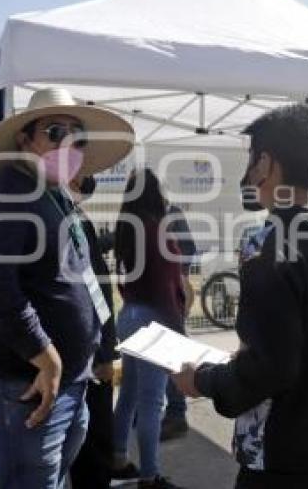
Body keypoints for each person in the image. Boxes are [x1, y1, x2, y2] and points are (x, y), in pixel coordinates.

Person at [171, 104, 308, 489]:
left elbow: (270, 369)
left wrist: (203, 381)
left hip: (284, 458)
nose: (246, 173)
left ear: (264, 163)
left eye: (250, 159)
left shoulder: (266, 245)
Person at [0, 87, 134, 489]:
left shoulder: (53, 195)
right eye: (55, 131)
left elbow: (80, 279)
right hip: (25, 384)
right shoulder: (5, 191)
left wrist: (95, 345)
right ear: (24, 138)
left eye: (78, 136)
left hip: (68, 383)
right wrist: (45, 355)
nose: (68, 143)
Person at [112, 168, 185, 489]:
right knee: (152, 402)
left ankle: (116, 457)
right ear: (155, 194)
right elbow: (165, 285)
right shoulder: (157, 230)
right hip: (154, 318)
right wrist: (177, 328)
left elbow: (128, 279)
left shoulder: (127, 228)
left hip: (129, 316)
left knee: (128, 394)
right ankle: (150, 475)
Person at [69, 174, 118, 489]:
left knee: (90, 438)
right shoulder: (64, 217)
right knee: (89, 439)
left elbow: (97, 287)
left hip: (86, 348)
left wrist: (106, 348)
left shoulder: (73, 218)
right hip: (77, 353)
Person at [160, 204, 197, 442]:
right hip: (152, 295)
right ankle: (153, 410)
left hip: (173, 293)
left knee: (171, 353)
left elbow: (188, 248)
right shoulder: (141, 215)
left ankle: (176, 414)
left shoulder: (171, 213)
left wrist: (175, 274)